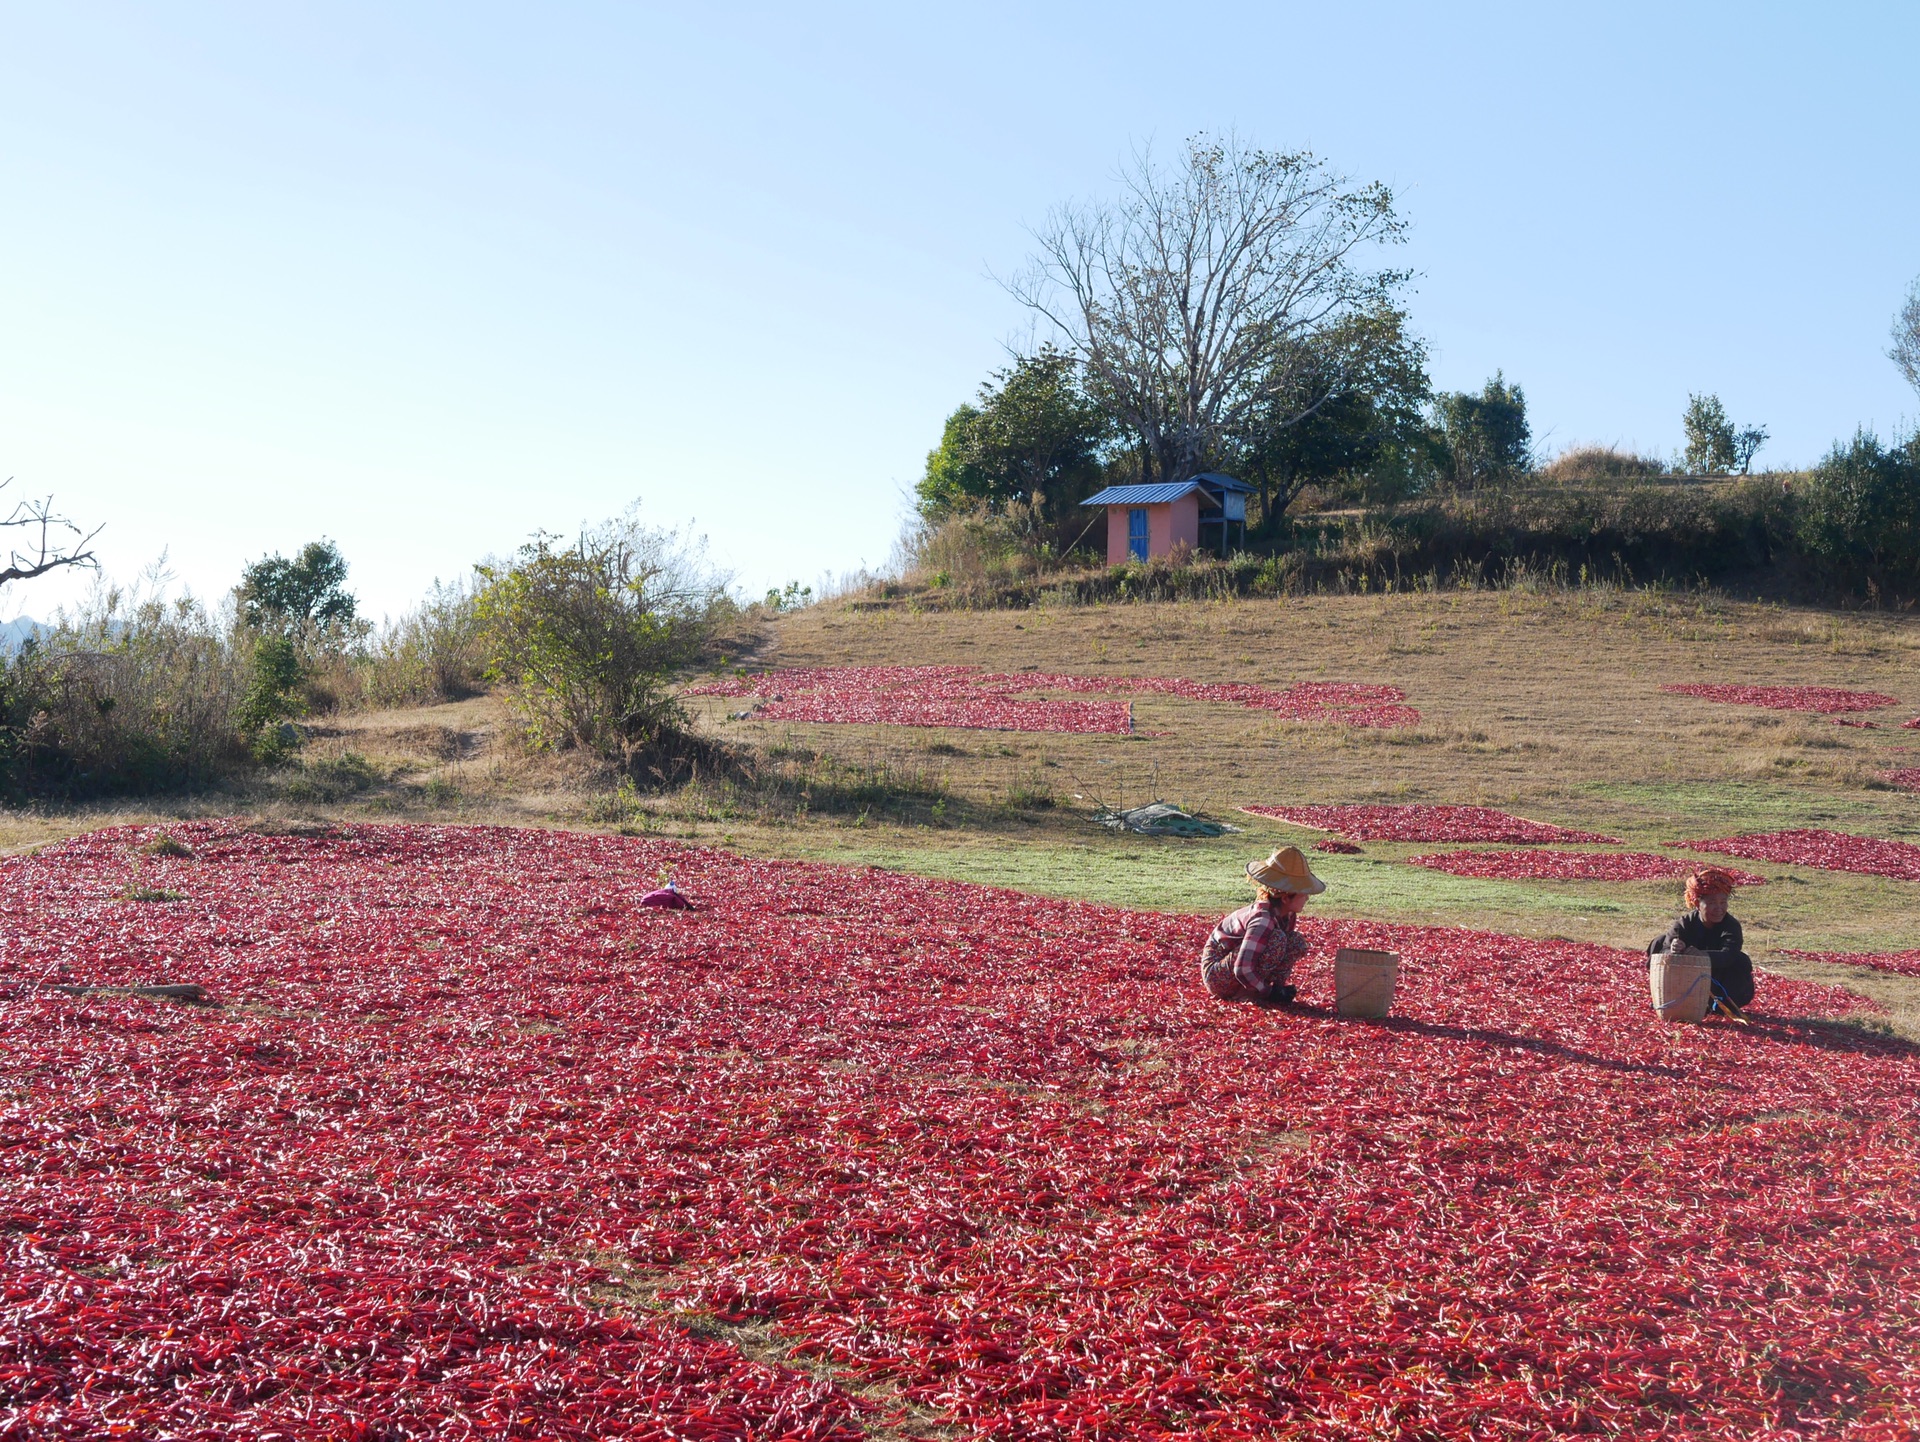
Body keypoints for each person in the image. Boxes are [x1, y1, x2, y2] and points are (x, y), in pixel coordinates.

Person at [1201, 847, 1325, 1008]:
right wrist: (1267, 992)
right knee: (1277, 940)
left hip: (1237, 972)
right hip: (1218, 977)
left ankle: (1262, 989)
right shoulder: (1262, 920)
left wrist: (1278, 990)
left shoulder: (1287, 915)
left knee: (1295, 942)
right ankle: (1247, 993)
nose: (1307, 897)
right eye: (1303, 893)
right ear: (1286, 898)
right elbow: (1242, 968)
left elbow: (1284, 951)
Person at [1647, 866, 1754, 1022]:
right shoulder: (1684, 924)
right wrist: (1673, 950)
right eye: (1712, 903)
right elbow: (1664, 951)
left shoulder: (1731, 925)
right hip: (1685, 982)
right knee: (1658, 942)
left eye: (1723, 902)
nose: (1719, 908)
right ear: (1697, 903)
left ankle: (1718, 1004)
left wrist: (1702, 955)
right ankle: (1667, 997)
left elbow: (1729, 955)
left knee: (1741, 960)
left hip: (1717, 982)